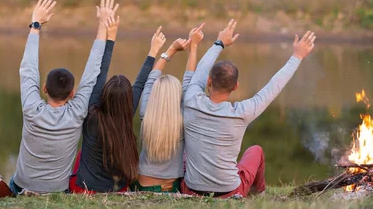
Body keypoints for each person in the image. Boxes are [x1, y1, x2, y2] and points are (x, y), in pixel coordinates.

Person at [182, 20, 316, 198]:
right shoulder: (242, 112)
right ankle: (258, 195)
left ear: (208, 82)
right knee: (256, 151)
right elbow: (273, 87)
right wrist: (297, 56)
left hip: (190, 190)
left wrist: (219, 43)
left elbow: (199, 72)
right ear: (235, 87)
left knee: (184, 151)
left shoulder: (191, 99)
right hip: (230, 192)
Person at [10, 0, 112, 195]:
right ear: (72, 93)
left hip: (22, 186)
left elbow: (28, 69)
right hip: (57, 191)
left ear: (45, 88)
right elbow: (92, 71)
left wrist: (35, 24)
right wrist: (103, 25)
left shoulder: (32, 108)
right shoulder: (77, 112)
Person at [70, 13, 168, 193]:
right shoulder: (126, 114)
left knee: (81, 155)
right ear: (127, 100)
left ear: (105, 95)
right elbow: (140, 84)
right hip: (118, 189)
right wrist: (153, 51)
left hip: (84, 189)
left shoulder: (92, 113)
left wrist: (111, 37)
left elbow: (101, 72)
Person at [132, 24, 205, 193]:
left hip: (140, 183)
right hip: (170, 188)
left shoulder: (146, 113)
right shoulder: (183, 118)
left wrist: (171, 50)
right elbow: (189, 81)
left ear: (155, 95)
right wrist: (193, 46)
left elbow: (151, 80)